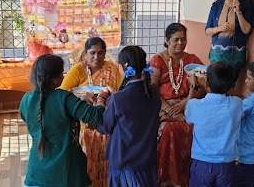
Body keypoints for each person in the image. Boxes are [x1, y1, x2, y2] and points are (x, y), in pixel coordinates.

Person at [19, 54, 110, 187]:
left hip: (36, 173)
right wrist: (102, 98)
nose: (63, 76)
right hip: (64, 175)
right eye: (62, 73)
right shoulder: (64, 99)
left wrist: (76, 103)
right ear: (54, 79)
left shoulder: (26, 100)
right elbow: (96, 115)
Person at [60, 37, 123, 187]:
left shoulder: (112, 69)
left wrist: (111, 94)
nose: (97, 57)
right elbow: (62, 95)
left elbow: (121, 93)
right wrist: (81, 96)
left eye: (101, 53)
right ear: (85, 54)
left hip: (108, 120)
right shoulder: (78, 70)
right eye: (92, 53)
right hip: (84, 121)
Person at [97, 45, 161, 186]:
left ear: (123, 68)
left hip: (124, 162)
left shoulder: (118, 99)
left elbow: (103, 127)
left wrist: (101, 101)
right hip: (146, 160)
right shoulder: (154, 92)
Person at [149, 22, 204, 187]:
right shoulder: (157, 60)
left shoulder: (193, 60)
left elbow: (202, 87)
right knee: (169, 130)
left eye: (183, 39)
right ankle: (166, 178)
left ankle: (191, 176)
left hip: (190, 104)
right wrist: (169, 110)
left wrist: (184, 105)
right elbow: (152, 90)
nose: (180, 43)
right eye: (176, 39)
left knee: (198, 127)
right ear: (167, 40)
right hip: (161, 106)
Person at [185, 61, 243, 187]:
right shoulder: (236, 104)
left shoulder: (195, 105)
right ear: (232, 85)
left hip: (201, 164)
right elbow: (238, 97)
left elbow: (188, 115)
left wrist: (194, 86)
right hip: (227, 165)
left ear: (206, 83)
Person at [205, 0, 253, 96]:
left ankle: (226, 109)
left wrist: (238, 11)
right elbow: (207, 30)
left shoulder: (245, 5)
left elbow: (246, 30)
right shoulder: (216, 5)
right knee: (215, 84)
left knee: (230, 85)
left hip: (236, 54)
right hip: (217, 53)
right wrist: (219, 28)